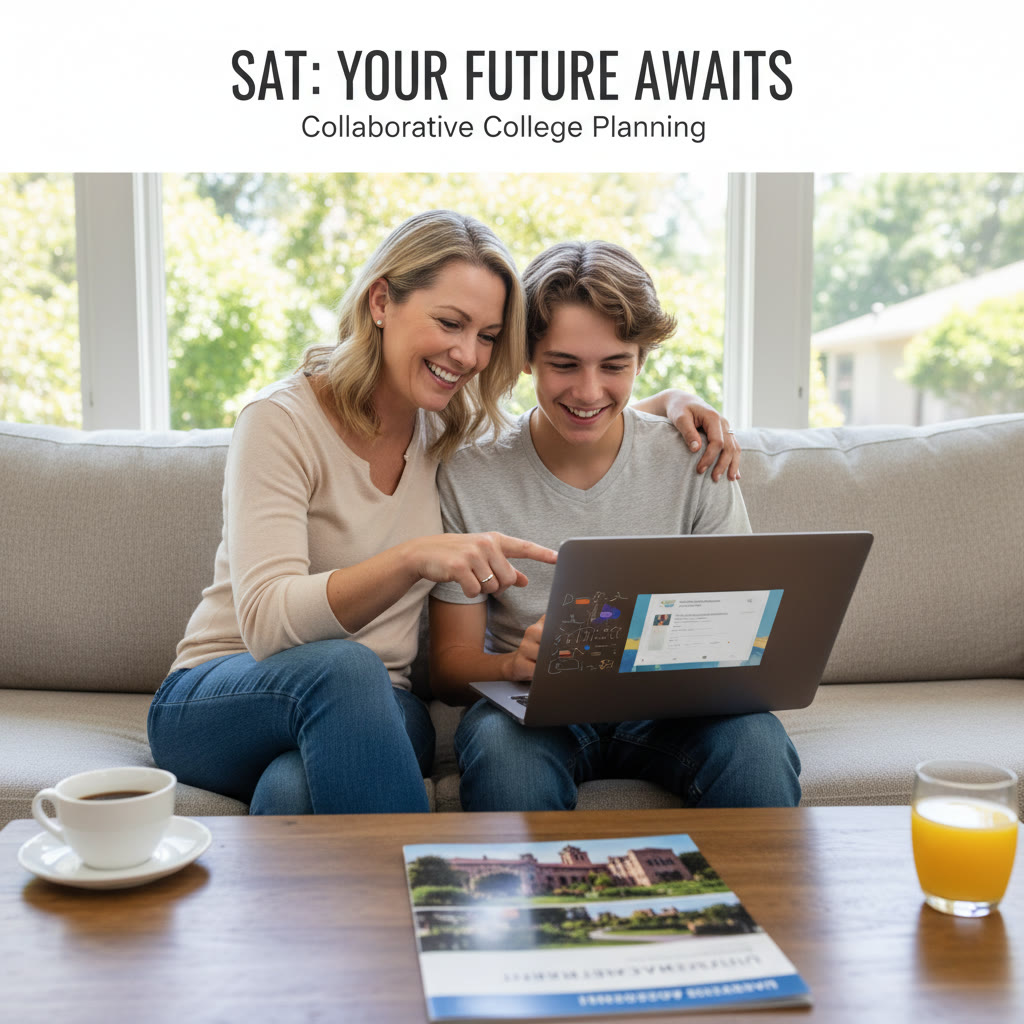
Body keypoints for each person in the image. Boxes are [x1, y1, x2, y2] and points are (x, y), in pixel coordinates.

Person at [148, 212, 738, 816]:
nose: (468, 355)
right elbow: (267, 624)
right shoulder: (280, 421)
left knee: (292, 788)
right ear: (381, 301)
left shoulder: (446, 426)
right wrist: (410, 559)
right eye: (450, 323)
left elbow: (584, 406)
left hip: (382, 704)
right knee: (347, 670)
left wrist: (672, 402)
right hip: (231, 691)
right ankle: (423, 877)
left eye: (487, 335)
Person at [429, 240, 801, 812]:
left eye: (614, 366)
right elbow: (448, 665)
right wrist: (510, 665)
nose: (588, 392)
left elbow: (743, 627)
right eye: (563, 364)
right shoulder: (468, 471)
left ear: (641, 361)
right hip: (532, 710)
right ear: (526, 357)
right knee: (506, 759)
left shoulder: (695, 456)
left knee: (755, 747)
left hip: (674, 711)